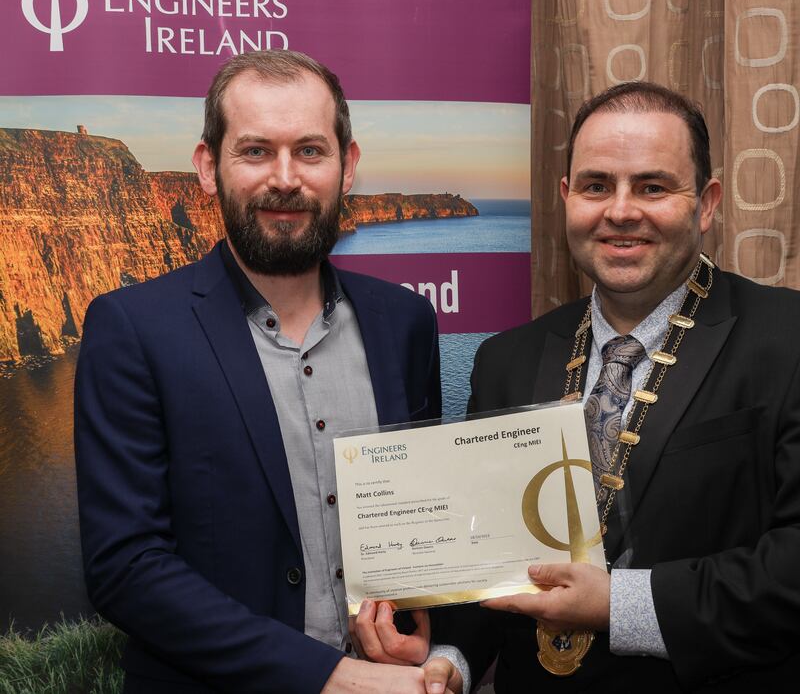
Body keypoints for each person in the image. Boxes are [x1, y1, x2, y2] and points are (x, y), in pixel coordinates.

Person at [359, 81, 800, 691]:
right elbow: (488, 555)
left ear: (705, 203)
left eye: (652, 186)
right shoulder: (504, 360)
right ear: (567, 198)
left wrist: (620, 605)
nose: (621, 210)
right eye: (596, 185)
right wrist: (451, 660)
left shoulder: (787, 338)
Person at [74, 49, 446, 693]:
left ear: (347, 166)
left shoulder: (405, 323)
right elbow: (126, 568)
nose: (284, 178)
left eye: (309, 150)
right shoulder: (132, 329)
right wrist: (332, 677)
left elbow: (423, 521)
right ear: (207, 167)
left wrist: (419, 623)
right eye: (254, 151)